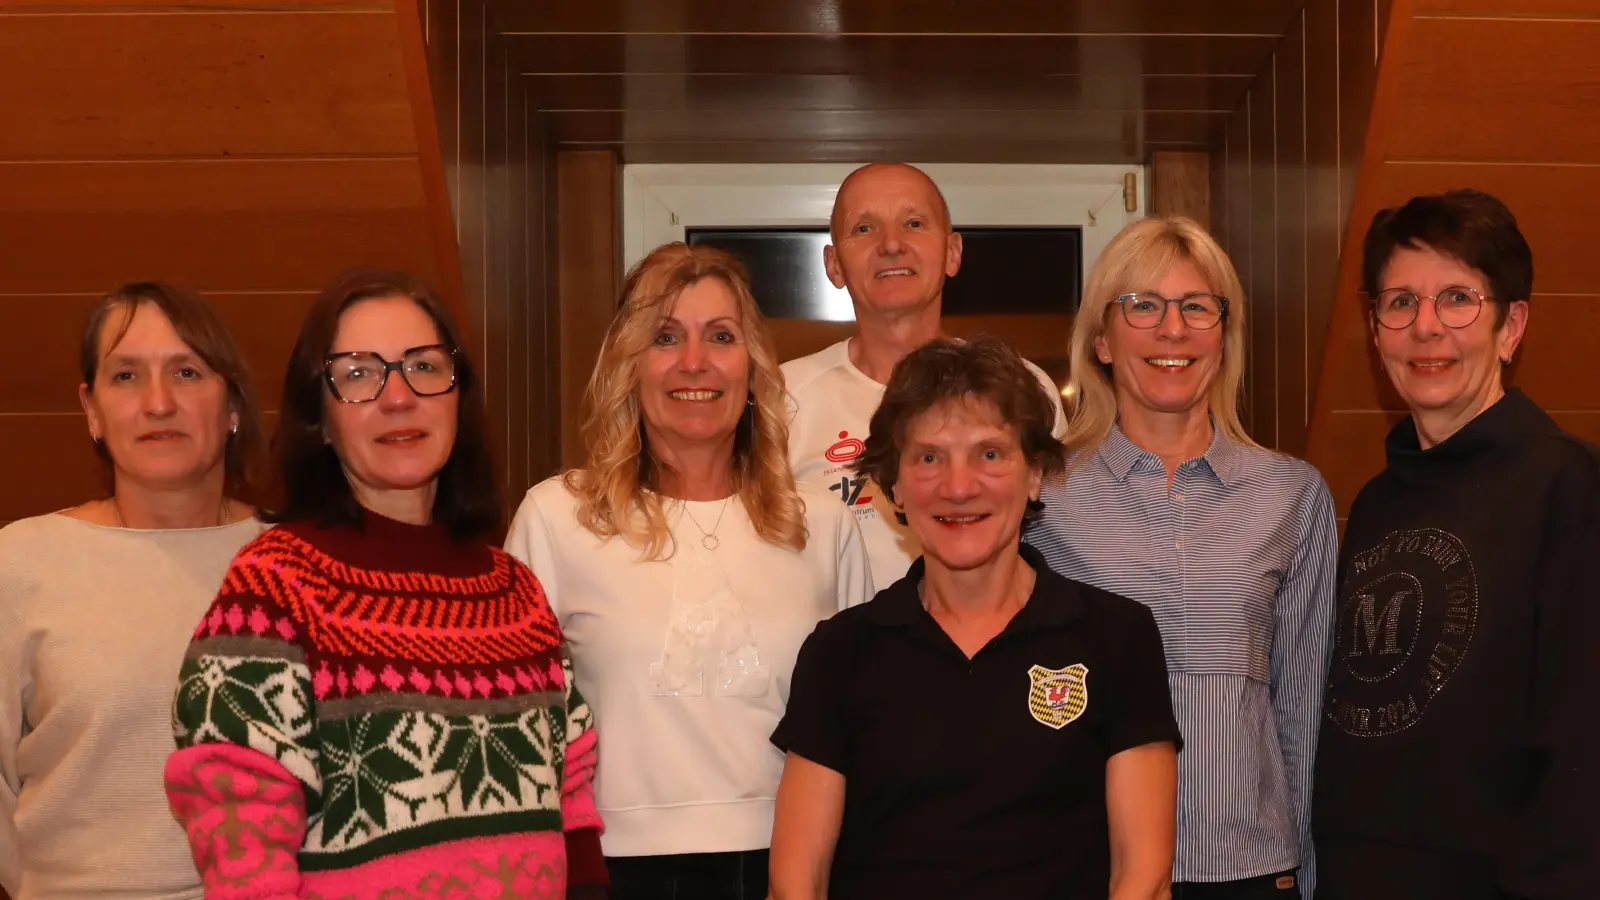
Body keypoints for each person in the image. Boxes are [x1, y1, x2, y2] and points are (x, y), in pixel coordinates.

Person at [164, 270, 607, 899]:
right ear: (318, 416)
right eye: (358, 374)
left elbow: (573, 793)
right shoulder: (273, 593)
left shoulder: (517, 595)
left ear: (459, 396)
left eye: (424, 367)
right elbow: (239, 839)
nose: (398, 399)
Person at [506, 243, 872, 900]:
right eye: (665, 337)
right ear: (628, 364)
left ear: (753, 367)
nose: (694, 363)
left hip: (791, 866)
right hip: (609, 870)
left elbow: (860, 728)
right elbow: (517, 732)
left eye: (721, 336)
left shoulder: (823, 524)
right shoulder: (557, 517)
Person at [769, 336, 1180, 900]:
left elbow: (1145, 877)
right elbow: (796, 884)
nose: (959, 487)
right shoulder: (839, 652)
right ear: (895, 486)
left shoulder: (1116, 637)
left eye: (989, 454)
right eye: (929, 457)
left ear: (1035, 475)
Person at [1026, 217, 1337, 900]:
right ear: (1102, 341)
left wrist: (1306, 872)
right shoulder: (1044, 498)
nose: (1174, 330)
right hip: (1094, 868)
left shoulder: (1293, 494)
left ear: (1224, 338)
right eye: (1143, 305)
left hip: (1252, 870)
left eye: (1198, 307)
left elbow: (1302, 705)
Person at [1313, 190, 1600, 900]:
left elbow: (1583, 746)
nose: (1426, 327)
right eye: (1400, 302)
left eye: (1458, 299)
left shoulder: (1567, 486)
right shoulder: (1375, 502)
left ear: (1512, 326)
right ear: (1376, 332)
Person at [0, 283, 267, 899]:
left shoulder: (298, 559)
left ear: (232, 407)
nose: (158, 403)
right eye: (126, 376)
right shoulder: (21, 562)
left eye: (186, 371)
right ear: (91, 411)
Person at [782, 162, 1067, 588]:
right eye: (864, 229)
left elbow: (1053, 544)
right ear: (834, 264)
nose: (892, 244)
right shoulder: (782, 398)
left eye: (914, 223)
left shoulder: (1022, 386)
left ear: (953, 253)